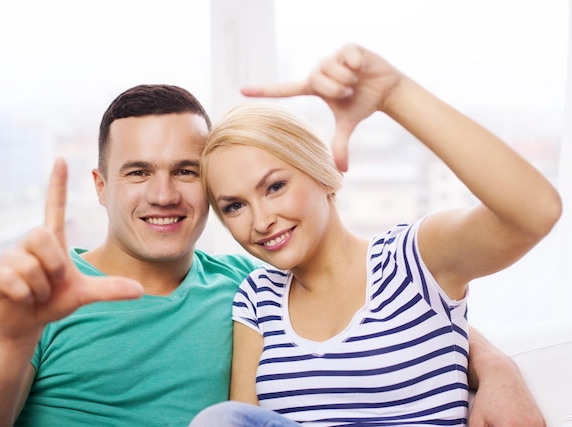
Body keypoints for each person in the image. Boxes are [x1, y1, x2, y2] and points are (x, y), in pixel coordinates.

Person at [0, 83, 545, 426]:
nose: (163, 194)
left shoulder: (244, 286)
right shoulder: (26, 305)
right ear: (100, 186)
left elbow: (408, 305)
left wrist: (495, 368)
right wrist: (9, 334)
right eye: (137, 172)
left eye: (185, 172)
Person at [192, 42, 561, 425]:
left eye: (275, 187)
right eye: (234, 206)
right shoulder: (257, 297)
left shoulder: (413, 259)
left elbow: (535, 212)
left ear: (322, 174)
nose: (261, 220)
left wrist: (395, 95)